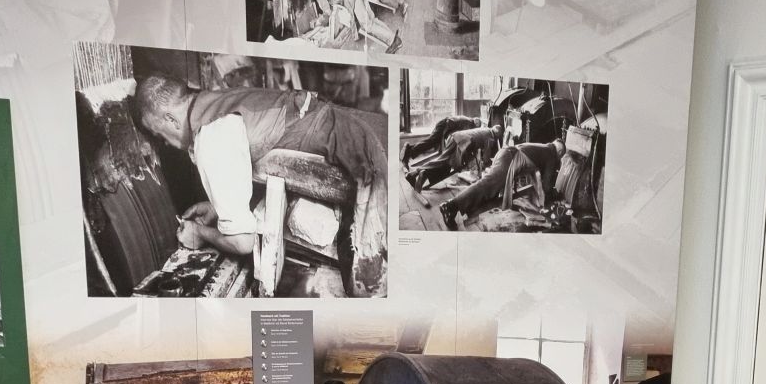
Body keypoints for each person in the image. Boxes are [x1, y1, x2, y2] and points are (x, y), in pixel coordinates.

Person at [134, 73, 387, 294]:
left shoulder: (211, 137)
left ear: (171, 119)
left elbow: (243, 242)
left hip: (364, 154)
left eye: (158, 133)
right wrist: (216, 208)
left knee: (369, 277)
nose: (163, 142)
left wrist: (199, 234)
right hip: (359, 126)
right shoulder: (214, 101)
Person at [440, 138, 565, 230]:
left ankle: (466, 208)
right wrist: (553, 196)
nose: (559, 159)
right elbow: (547, 185)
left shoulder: (543, 147)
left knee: (489, 188)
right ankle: (450, 206)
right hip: (509, 159)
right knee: (486, 185)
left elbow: (535, 173)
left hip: (506, 153)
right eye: (561, 157)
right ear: (559, 153)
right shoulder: (551, 154)